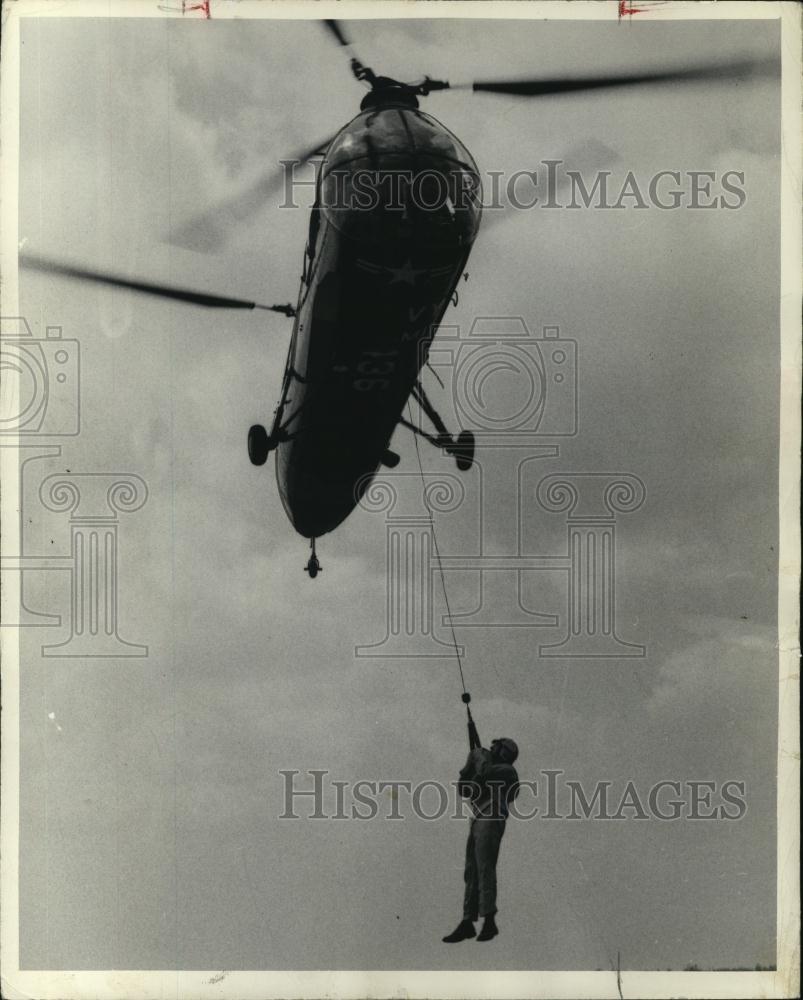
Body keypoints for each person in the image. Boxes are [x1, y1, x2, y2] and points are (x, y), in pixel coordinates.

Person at [443, 737, 519, 943]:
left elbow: (485, 771)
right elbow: (465, 790)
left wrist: (478, 757)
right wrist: (468, 769)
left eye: (496, 746)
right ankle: (468, 920)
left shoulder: (507, 771)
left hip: (491, 816)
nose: (490, 748)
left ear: (504, 752)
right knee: (472, 871)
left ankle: (489, 920)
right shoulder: (489, 768)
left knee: (485, 868)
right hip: (478, 818)